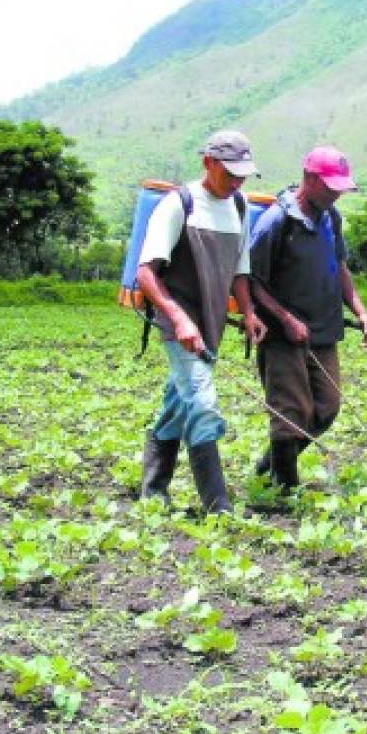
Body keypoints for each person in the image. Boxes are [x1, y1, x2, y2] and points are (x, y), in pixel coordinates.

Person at [135, 129, 267, 514]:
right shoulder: (180, 205)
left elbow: (240, 270)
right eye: (230, 174)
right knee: (203, 403)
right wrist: (179, 320)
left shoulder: (239, 206)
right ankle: (217, 505)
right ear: (208, 163)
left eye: (242, 175)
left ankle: (153, 487)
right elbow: (146, 273)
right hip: (179, 322)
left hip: (210, 322)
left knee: (178, 402)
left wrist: (248, 312)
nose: (236, 182)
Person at [248, 146, 367, 491]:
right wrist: (285, 318)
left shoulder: (330, 218)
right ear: (308, 178)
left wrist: (361, 312)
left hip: (323, 329)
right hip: (282, 335)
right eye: (330, 187)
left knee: (327, 407)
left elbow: (341, 270)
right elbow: (251, 282)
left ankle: (269, 466)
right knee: (290, 411)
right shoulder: (275, 222)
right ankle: (283, 487)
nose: (336, 194)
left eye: (340, 188)